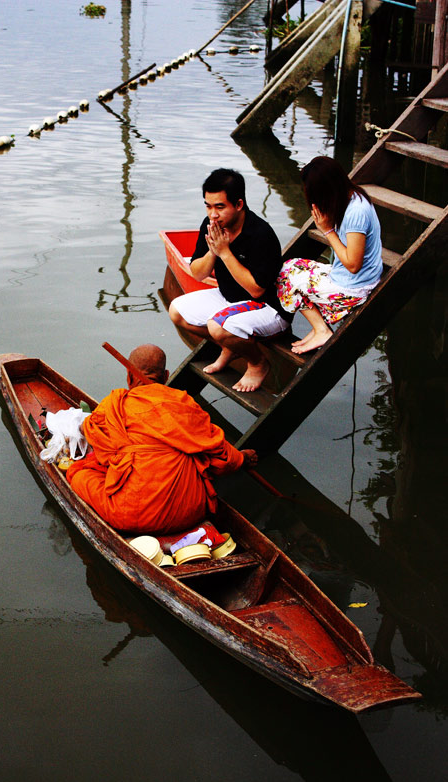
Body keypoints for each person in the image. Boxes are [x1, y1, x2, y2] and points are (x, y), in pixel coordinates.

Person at [66, 344, 258, 535]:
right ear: (166, 376)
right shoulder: (184, 403)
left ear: (129, 376)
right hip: (191, 512)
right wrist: (241, 458)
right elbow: (221, 456)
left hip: (131, 516)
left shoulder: (114, 404)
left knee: (79, 472)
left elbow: (88, 430)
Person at [169, 168, 292, 393]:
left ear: (238, 204)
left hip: (268, 308)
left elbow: (256, 290)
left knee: (218, 325)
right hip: (230, 300)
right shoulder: (211, 225)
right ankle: (231, 344)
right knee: (177, 311)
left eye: (220, 207)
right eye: (208, 205)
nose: (213, 214)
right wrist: (213, 251)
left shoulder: (260, 233)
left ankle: (257, 362)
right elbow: (197, 273)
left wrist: (225, 252)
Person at [277, 156, 383, 354]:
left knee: (285, 279)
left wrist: (327, 231)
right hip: (349, 276)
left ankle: (321, 330)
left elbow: (353, 264)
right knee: (290, 266)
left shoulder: (355, 213)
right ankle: (319, 328)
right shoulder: (351, 196)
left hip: (353, 287)